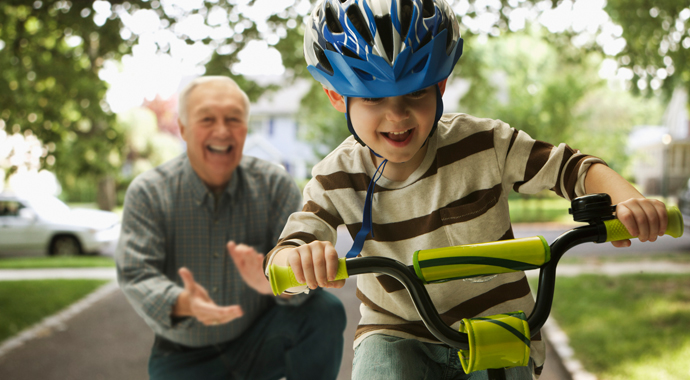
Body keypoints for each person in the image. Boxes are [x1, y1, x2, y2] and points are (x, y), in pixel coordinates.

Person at [263, 1, 669, 379]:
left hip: (497, 324)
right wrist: (300, 260)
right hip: (397, 332)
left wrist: (628, 200)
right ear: (338, 96)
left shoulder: (485, 143)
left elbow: (571, 168)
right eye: (373, 98)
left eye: (416, 92)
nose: (398, 115)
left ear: (440, 86)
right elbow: (288, 251)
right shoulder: (335, 176)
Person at [116, 76, 346, 380]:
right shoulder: (148, 192)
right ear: (183, 128)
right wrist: (180, 302)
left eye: (234, 119)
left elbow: (301, 279)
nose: (222, 130)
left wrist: (274, 283)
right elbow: (136, 273)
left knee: (323, 310)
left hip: (260, 339)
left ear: (245, 128)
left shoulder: (275, 185)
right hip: (183, 355)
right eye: (207, 119)